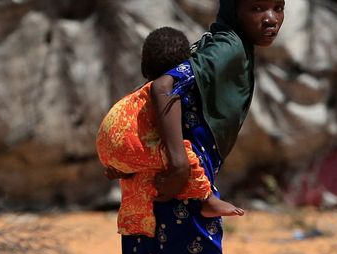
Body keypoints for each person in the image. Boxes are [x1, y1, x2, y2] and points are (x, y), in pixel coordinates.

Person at [49, 0, 285, 254]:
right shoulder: (226, 49)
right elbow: (164, 86)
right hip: (183, 195)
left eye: (278, 8)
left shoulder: (224, 44)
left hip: (165, 195)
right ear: (233, 6)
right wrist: (179, 165)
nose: (270, 18)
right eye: (258, 8)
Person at [97, 27, 244, 238]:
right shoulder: (166, 91)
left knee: (143, 174)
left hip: (109, 148)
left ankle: (135, 222)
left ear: (143, 67)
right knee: (181, 153)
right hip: (126, 146)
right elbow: (177, 159)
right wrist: (179, 167)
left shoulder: (138, 94)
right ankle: (208, 199)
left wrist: (120, 163)